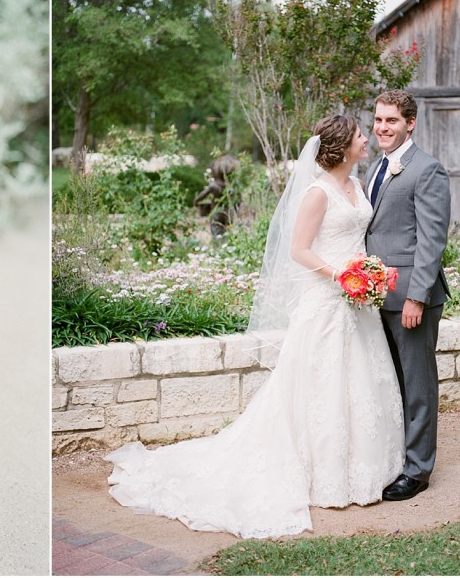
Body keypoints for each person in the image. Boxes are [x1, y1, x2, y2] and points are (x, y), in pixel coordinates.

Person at [106, 114, 405, 539]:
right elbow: (300, 250)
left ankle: (366, 471)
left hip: (359, 305)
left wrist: (367, 275)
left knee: (360, 382)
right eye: (360, 134)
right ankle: (325, 476)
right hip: (327, 302)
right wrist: (342, 274)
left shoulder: (358, 185)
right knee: (322, 386)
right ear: (341, 147)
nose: (366, 139)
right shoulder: (317, 193)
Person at [365, 90, 451, 501]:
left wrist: (417, 296)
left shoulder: (427, 169)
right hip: (375, 297)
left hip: (411, 299)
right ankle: (397, 456)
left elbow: (432, 241)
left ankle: (417, 471)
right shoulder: (375, 169)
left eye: (392, 121)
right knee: (391, 383)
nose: (383, 128)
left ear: (410, 123)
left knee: (417, 385)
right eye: (379, 120)